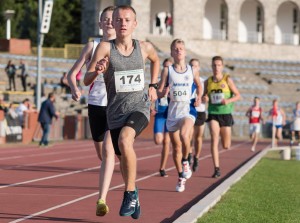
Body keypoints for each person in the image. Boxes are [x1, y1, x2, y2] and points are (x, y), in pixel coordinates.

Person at [85, 5, 160, 219]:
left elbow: (156, 60)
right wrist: (97, 71)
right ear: (114, 24)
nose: (123, 23)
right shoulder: (105, 49)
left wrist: (153, 85)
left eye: (127, 20)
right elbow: (86, 79)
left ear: (135, 24)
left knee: (126, 141)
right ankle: (134, 192)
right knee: (123, 158)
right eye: (118, 20)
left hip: (139, 107)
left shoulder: (144, 47)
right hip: (115, 113)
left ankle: (128, 194)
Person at [67, 6, 116, 217]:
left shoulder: (122, 47)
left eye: (111, 19)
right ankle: (125, 164)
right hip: (96, 105)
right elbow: (72, 73)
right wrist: (74, 87)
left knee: (108, 150)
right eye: (104, 19)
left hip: (116, 105)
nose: (108, 22)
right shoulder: (92, 45)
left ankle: (101, 199)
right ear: (100, 24)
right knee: (102, 153)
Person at [158, 39, 202, 192]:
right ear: (171, 52)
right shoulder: (167, 71)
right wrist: (162, 93)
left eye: (181, 48)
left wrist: (199, 97)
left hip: (188, 110)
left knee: (185, 135)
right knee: (176, 148)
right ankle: (181, 176)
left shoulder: (192, 70)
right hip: (172, 112)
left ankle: (186, 161)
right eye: (175, 49)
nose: (178, 51)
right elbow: (159, 91)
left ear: (185, 51)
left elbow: (199, 84)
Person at [203, 56, 241, 178]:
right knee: (214, 138)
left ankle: (225, 146)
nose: (216, 67)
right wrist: (205, 98)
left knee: (226, 145)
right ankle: (217, 168)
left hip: (225, 114)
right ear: (212, 66)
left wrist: (228, 100)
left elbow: (238, 95)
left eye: (219, 65)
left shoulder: (227, 79)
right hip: (213, 113)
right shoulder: (208, 81)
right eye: (214, 65)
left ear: (222, 67)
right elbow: (204, 96)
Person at [151, 58, 173, 177]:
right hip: (160, 115)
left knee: (166, 141)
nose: (166, 70)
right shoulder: (157, 84)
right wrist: (150, 107)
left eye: (168, 68)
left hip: (170, 115)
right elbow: (151, 96)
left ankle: (162, 168)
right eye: (164, 67)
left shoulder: (175, 83)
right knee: (158, 140)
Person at [189, 58, 206, 172]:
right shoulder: (186, 80)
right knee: (188, 136)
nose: (193, 68)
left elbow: (207, 96)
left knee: (198, 138)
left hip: (200, 111)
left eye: (195, 66)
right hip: (189, 110)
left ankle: (196, 157)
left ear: (199, 67)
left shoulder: (203, 82)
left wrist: (205, 98)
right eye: (191, 66)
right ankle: (189, 154)